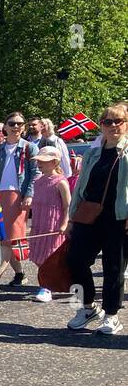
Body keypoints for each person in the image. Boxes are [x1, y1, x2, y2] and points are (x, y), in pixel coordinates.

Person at [65, 103, 128, 337]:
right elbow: (80, 186)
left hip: (119, 218)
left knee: (113, 268)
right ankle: (87, 307)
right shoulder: (92, 152)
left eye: (118, 121)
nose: (113, 126)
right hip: (88, 215)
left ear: (126, 124)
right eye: (108, 122)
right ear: (101, 125)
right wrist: (71, 219)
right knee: (74, 260)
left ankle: (112, 316)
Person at [0, 112, 38, 288]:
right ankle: (20, 274)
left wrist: (29, 194)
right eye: (12, 123)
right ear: (4, 127)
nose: (16, 127)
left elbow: (35, 173)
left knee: (10, 238)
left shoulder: (29, 148)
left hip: (17, 197)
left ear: (24, 127)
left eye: (20, 124)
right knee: (5, 237)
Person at [28, 146, 71, 303]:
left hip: (54, 224)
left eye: (44, 161)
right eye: (39, 160)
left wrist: (65, 223)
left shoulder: (61, 182)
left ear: (55, 162)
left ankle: (46, 287)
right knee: (39, 257)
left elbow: (68, 205)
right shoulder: (37, 181)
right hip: (39, 223)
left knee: (50, 257)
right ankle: (51, 285)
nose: (40, 163)